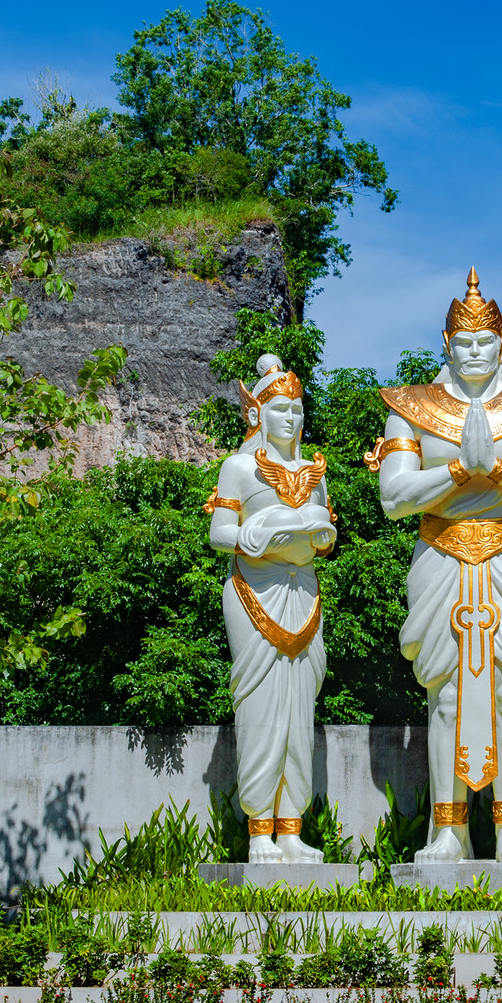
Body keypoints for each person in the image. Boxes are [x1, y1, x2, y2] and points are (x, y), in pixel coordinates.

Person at [368, 268, 502, 863]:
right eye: (464, 343)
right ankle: (448, 830)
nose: (476, 352)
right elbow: (393, 498)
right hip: (440, 555)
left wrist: (501, 471)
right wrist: (460, 471)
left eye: (486, 343)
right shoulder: (411, 408)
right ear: (446, 343)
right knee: (447, 696)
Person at [206, 354, 337, 863]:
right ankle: (259, 829)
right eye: (280, 409)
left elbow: (326, 532)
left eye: (298, 409)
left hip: (303, 588)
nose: (291, 418)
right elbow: (220, 535)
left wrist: (316, 534)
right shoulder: (239, 467)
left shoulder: (314, 470)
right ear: (258, 413)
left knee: (300, 708)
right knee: (260, 706)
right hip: (253, 590)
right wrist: (258, 533)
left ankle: (290, 830)